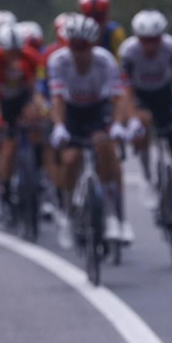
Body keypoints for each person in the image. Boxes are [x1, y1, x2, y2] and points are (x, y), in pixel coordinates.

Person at [45, 15, 128, 250]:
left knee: (105, 148)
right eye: (75, 46)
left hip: (96, 109)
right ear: (67, 44)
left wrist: (118, 124)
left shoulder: (105, 60)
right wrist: (59, 126)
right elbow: (57, 99)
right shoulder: (58, 61)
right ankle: (68, 213)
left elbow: (118, 97)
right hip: (71, 110)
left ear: (93, 45)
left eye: (84, 47)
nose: (79, 53)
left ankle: (113, 215)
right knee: (70, 159)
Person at [0, 21, 46, 222]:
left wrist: (41, 110)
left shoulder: (32, 57)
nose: (13, 57)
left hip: (22, 97)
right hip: (3, 101)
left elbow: (38, 89)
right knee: (7, 147)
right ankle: (5, 188)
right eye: (9, 52)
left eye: (17, 52)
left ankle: (39, 176)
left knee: (37, 124)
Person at [118, 10, 172, 201]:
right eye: (145, 40)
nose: (151, 45)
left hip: (164, 93)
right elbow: (126, 89)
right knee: (143, 123)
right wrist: (132, 118)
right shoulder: (128, 51)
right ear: (137, 37)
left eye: (155, 39)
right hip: (140, 95)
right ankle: (146, 176)